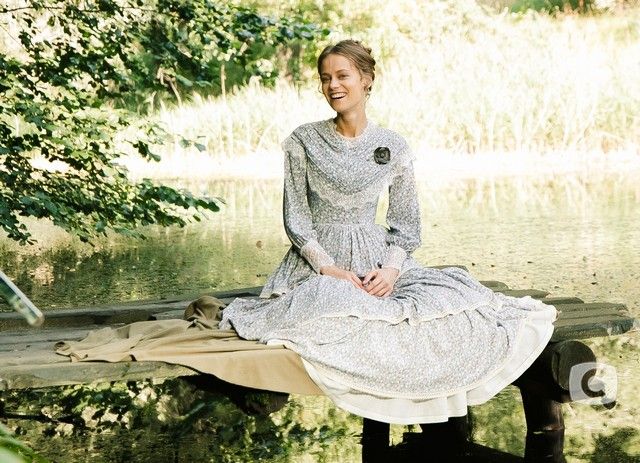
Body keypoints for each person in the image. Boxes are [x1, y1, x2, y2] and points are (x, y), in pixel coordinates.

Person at [220, 39, 557, 424]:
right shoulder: (303, 140)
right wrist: (328, 268)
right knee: (331, 304)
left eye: (342, 76)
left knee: (442, 306)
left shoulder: (393, 145)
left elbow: (406, 224)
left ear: (366, 80)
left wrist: (392, 270)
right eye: (326, 78)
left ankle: (430, 404)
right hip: (318, 261)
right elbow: (296, 219)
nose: (333, 85)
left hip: (376, 257)